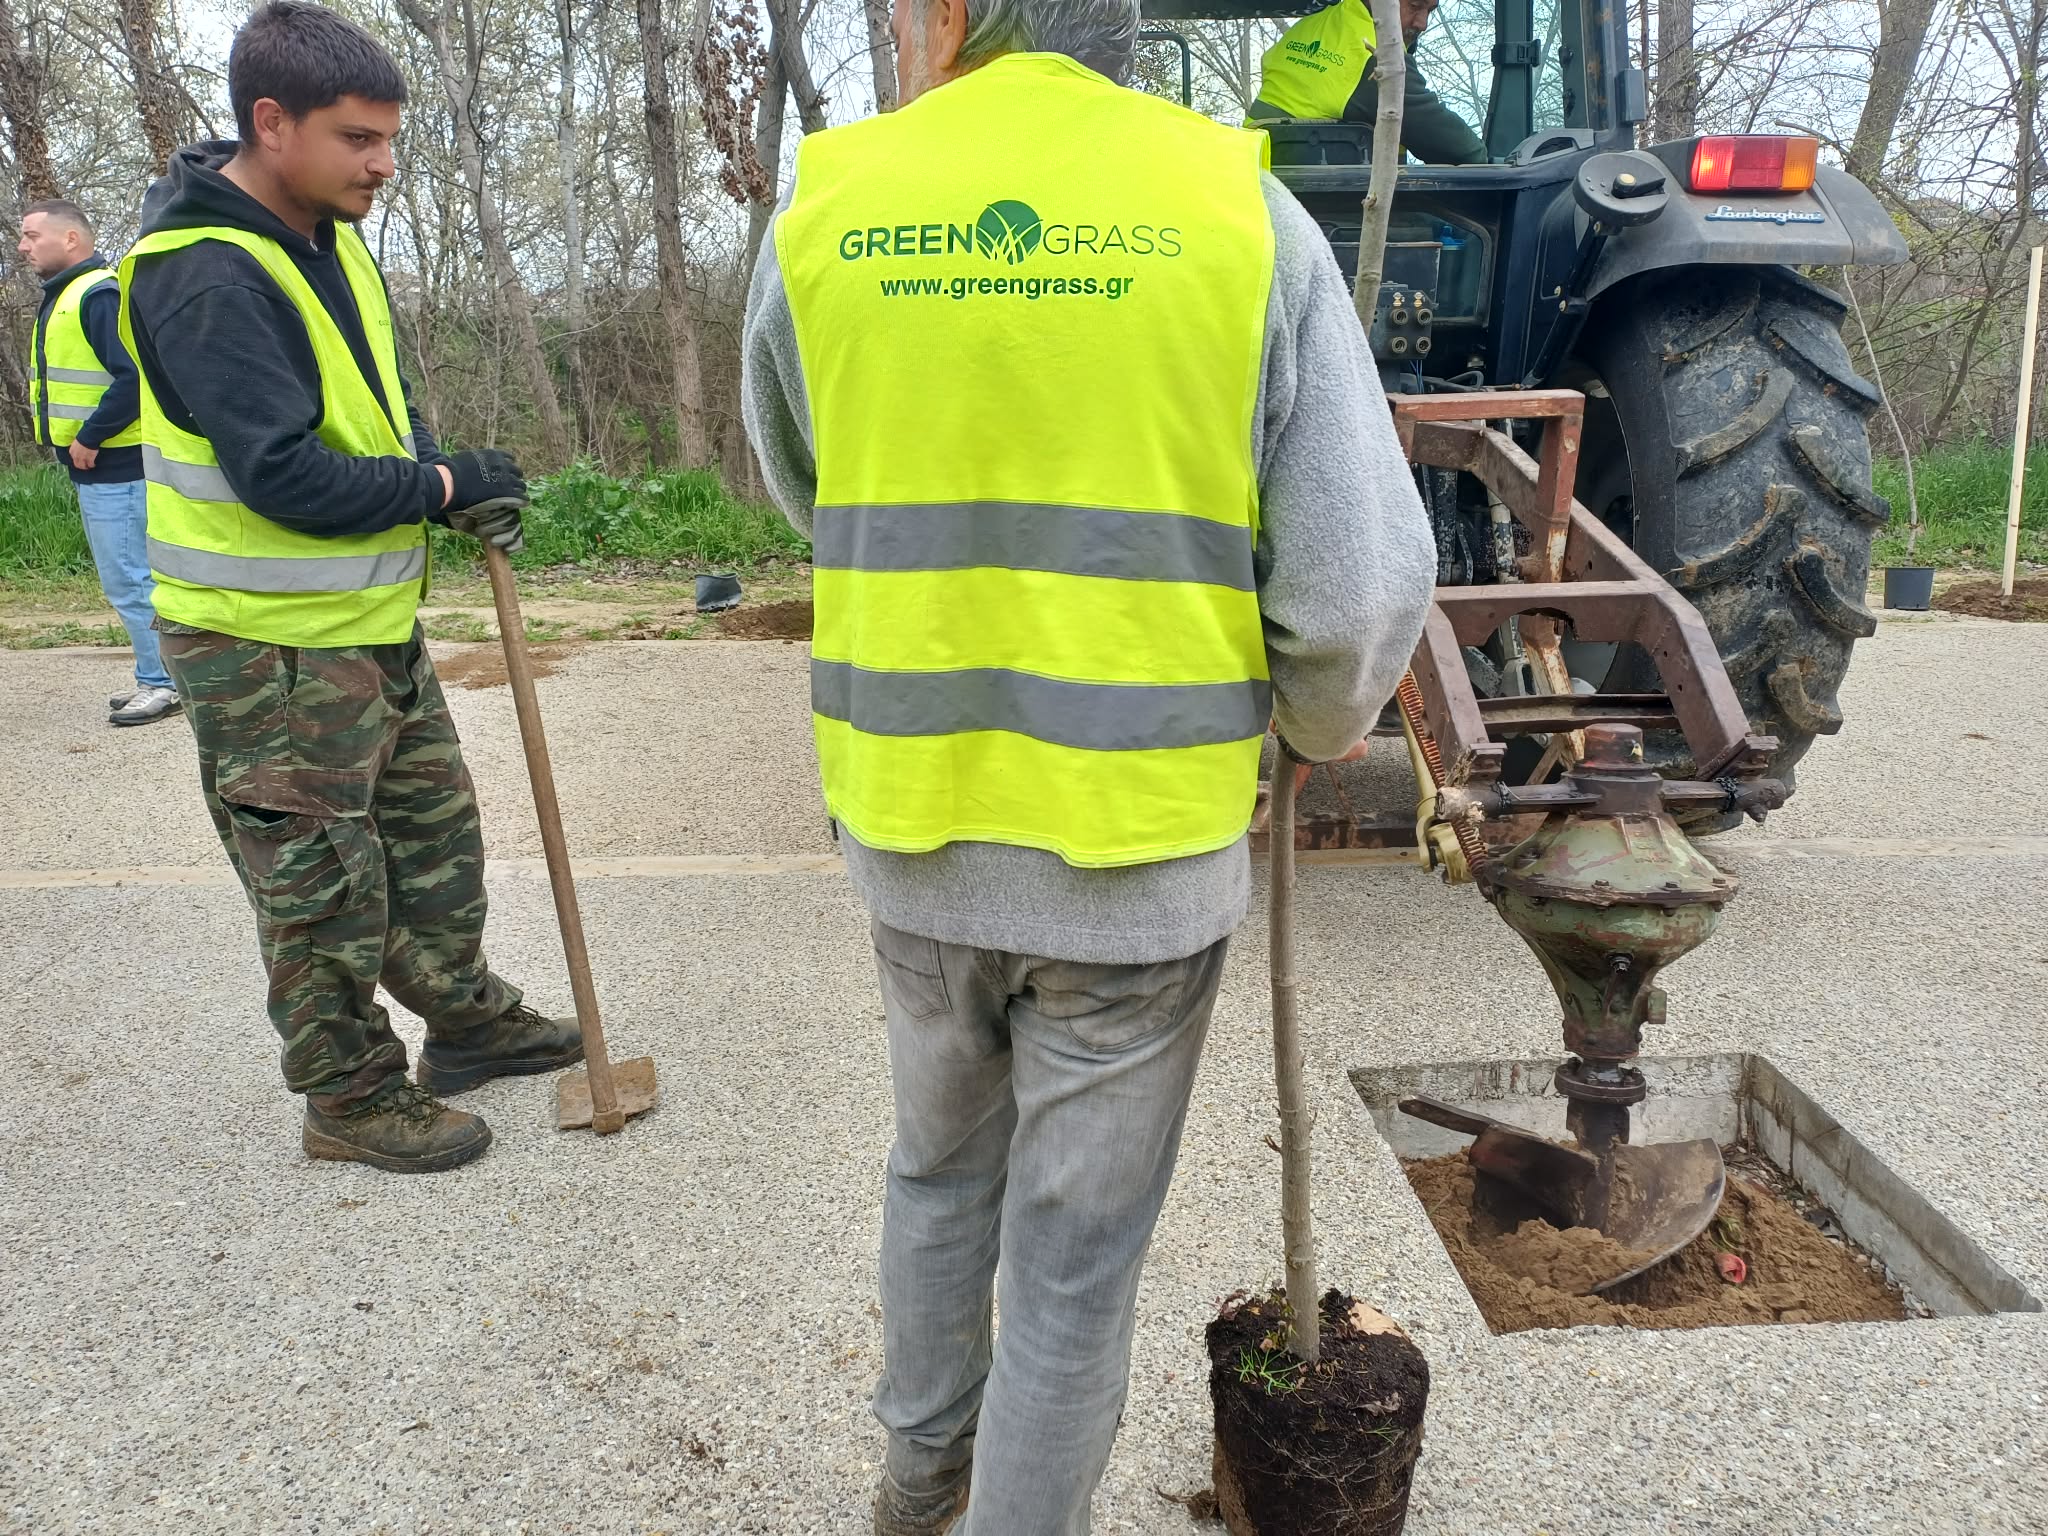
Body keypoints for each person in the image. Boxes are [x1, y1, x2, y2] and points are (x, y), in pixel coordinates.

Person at [741, 0, 1435, 1525]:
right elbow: (1359, 589)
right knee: (1070, 1270)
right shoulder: (1234, 208)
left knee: (936, 1181)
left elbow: (812, 480)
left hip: (915, 829)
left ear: (950, 18)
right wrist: (1321, 725)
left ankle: (915, 1496)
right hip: (1134, 854)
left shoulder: (834, 200)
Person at [120, 0, 582, 1174]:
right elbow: (280, 476)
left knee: (434, 843)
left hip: (365, 623)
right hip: (264, 647)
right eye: (357, 139)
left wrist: (439, 472)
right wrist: (434, 485)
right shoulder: (205, 276)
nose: (382, 163)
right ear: (271, 123)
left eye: (388, 139)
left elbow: (374, 406)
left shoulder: (324, 236)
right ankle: (349, 1097)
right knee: (322, 887)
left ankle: (465, 1021)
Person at [19, 199, 180, 726]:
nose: (22, 247)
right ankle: (160, 673)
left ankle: (162, 684)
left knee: (131, 579)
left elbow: (136, 376)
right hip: (102, 467)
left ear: (71, 240)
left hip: (117, 464)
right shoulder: (66, 296)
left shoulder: (96, 295)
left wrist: (90, 436)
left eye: (31, 236)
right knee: (132, 577)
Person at [1247, 0, 1486, 166]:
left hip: (1268, 176)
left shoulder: (1317, 24)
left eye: (1430, 10)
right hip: (1325, 203)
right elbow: (1454, 146)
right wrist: (1486, 160)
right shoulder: (1376, 56)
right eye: (1414, 6)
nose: (1422, 23)